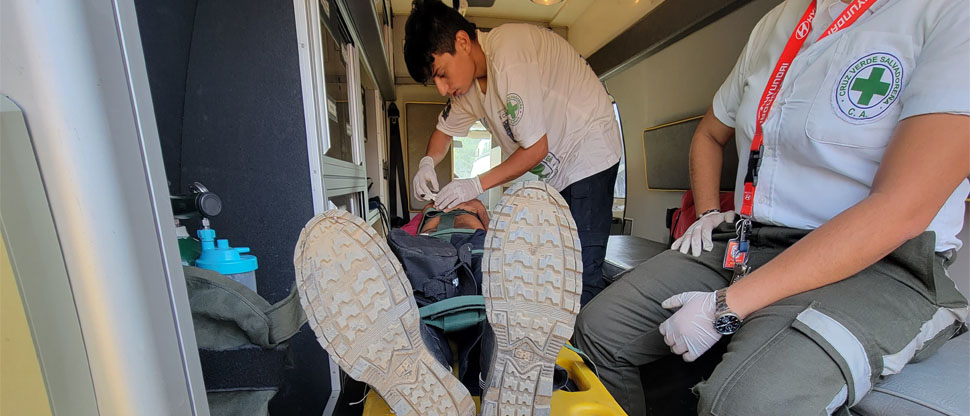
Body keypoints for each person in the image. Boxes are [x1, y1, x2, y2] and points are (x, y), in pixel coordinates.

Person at [572, 0, 970, 415]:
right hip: (752, 237)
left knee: (745, 403)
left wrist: (725, 307)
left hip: (880, 262)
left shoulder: (947, 11)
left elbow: (900, 207)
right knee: (599, 332)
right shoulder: (777, 22)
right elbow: (709, 133)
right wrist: (708, 213)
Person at [294, 182, 582, 416]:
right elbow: (501, 235)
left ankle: (435, 376)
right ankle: (494, 373)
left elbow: (391, 255)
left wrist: (434, 214)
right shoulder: (469, 211)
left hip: (431, 262)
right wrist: (477, 210)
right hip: (476, 255)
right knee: (495, 306)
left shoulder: (426, 218)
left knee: (415, 315)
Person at [403, 0, 623, 304]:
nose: (441, 88)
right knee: (557, 267)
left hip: (589, 150)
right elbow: (443, 133)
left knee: (581, 273)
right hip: (558, 172)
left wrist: (475, 184)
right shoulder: (466, 92)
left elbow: (536, 149)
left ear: (463, 42)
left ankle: (585, 347)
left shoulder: (509, 54)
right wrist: (427, 162)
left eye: (441, 73)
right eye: (435, 81)